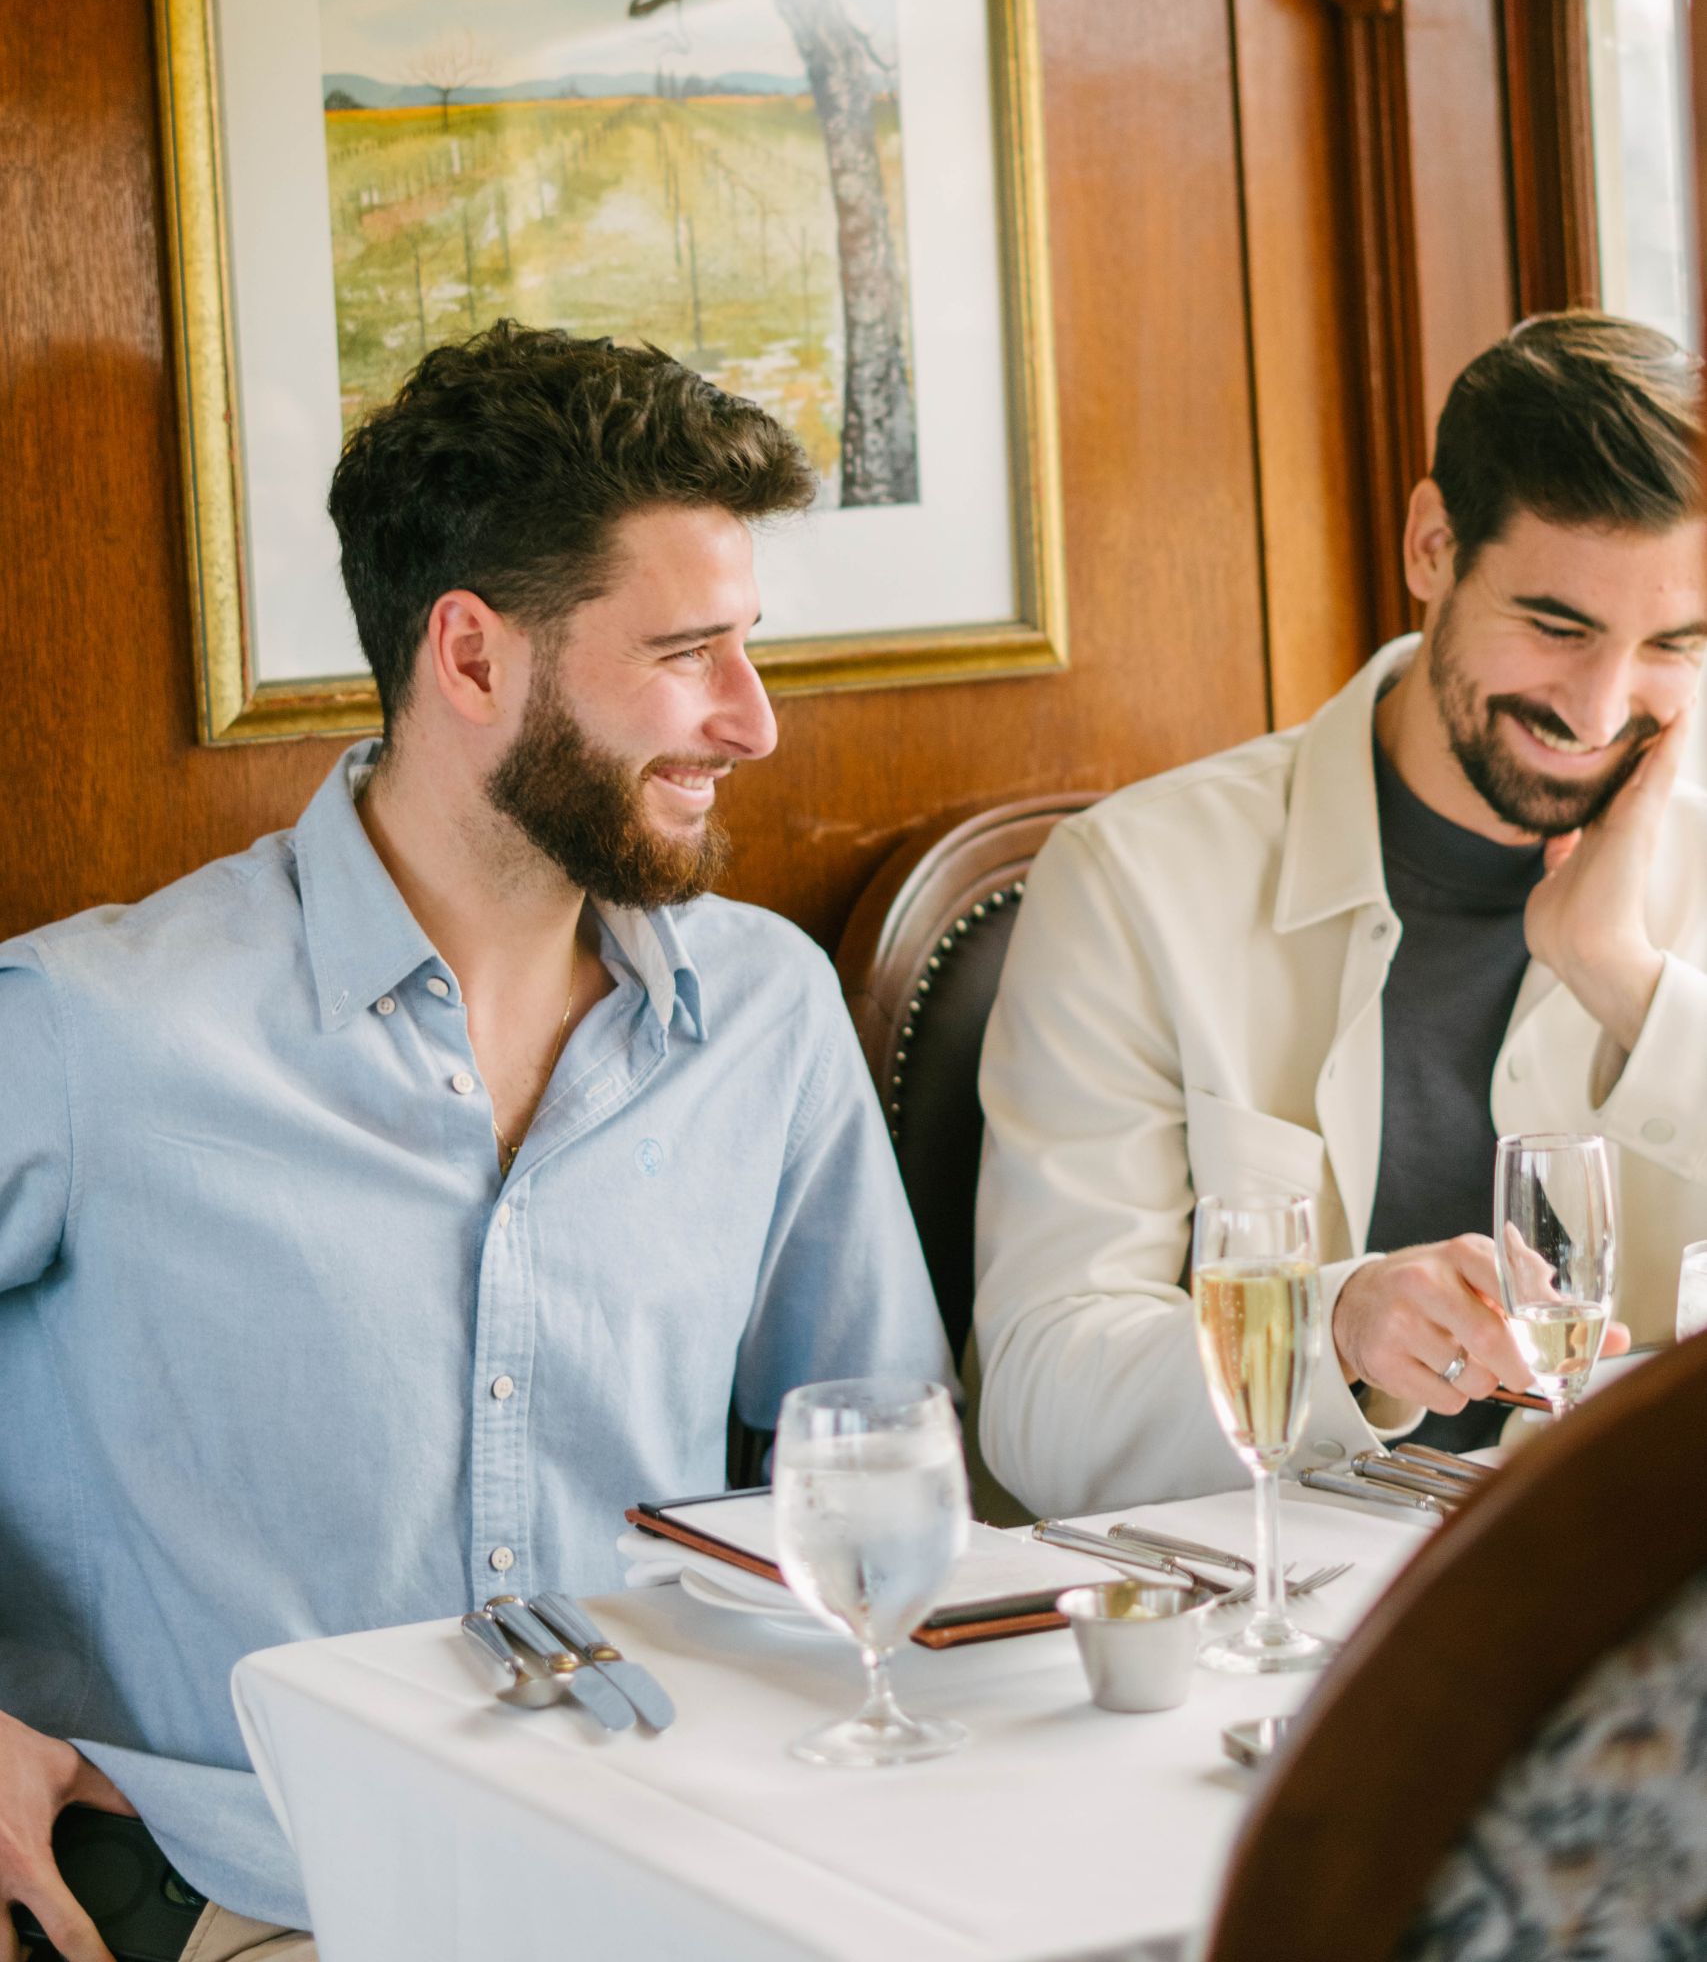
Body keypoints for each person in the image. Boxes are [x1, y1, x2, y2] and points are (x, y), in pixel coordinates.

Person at [0, 326, 949, 1962]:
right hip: (256, 1898)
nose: (753, 722)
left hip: (677, 1869)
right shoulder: (95, 1035)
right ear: (471, 656)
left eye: (750, 648)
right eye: (688, 654)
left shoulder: (766, 1014)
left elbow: (879, 1459)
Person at [975, 313, 1707, 1515]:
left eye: (1672, 644)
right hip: (1272, 1636)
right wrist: (1336, 1331)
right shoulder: (1134, 881)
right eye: (1557, 627)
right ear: (1432, 544)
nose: (1599, 707)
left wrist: (1623, 973)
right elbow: (1039, 1396)